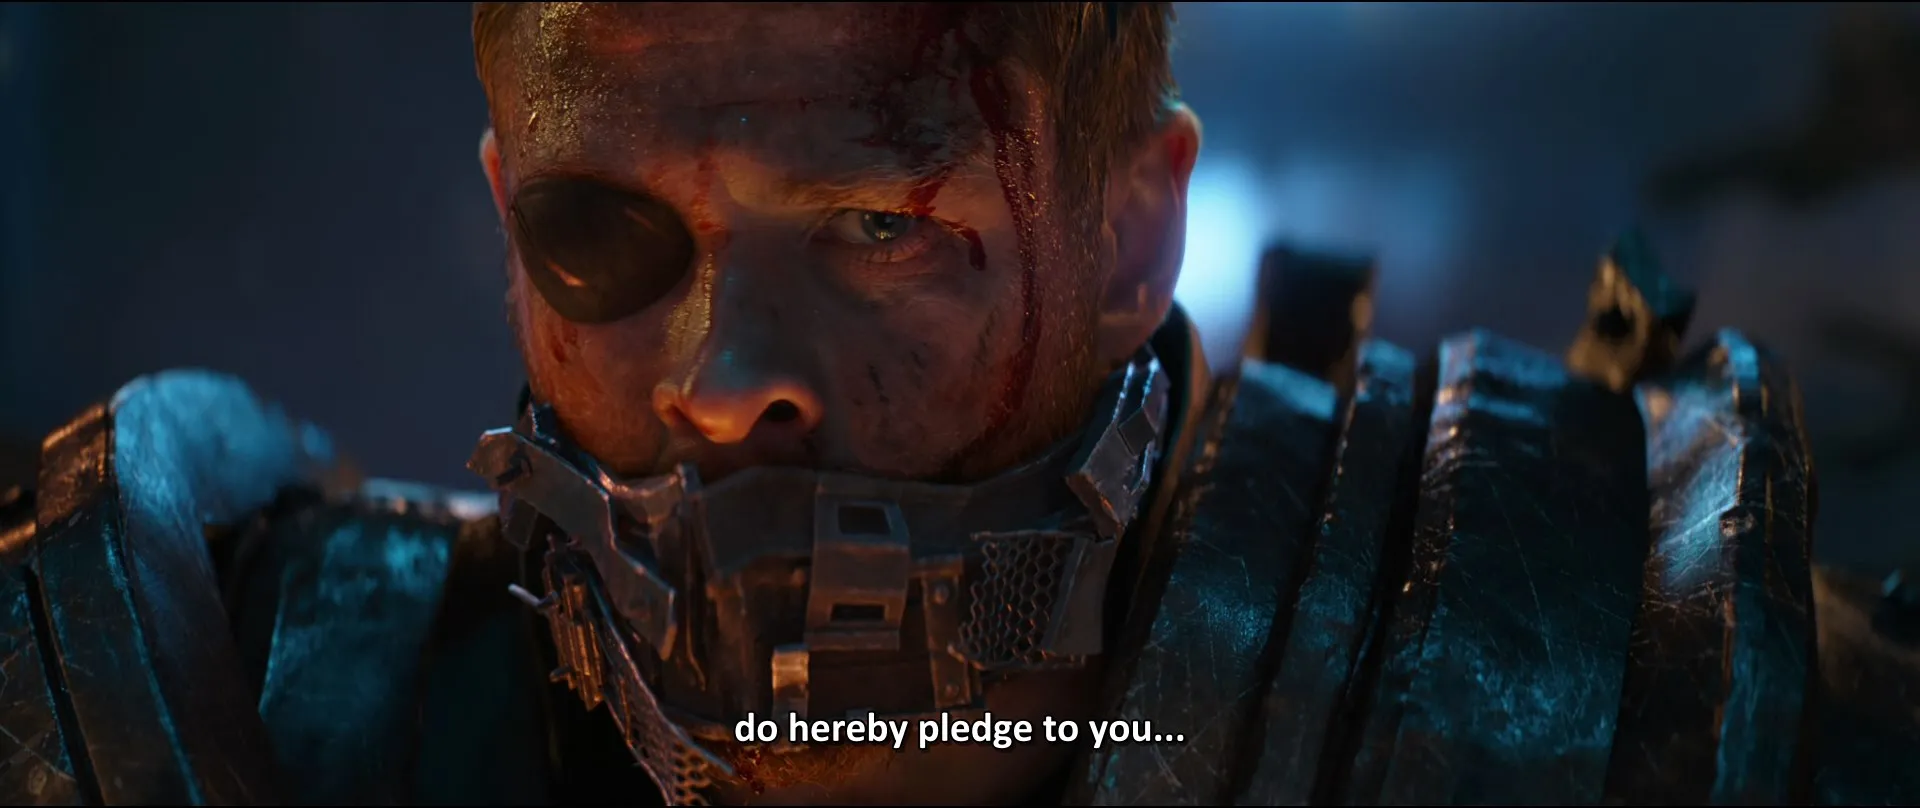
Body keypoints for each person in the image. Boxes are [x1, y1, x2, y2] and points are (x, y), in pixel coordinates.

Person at [0, 3, 1914, 805]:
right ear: (510, 204)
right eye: (606, 236)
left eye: (876, 229)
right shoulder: (264, 697)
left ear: (1131, 230)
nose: (723, 385)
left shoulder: (1613, 700)